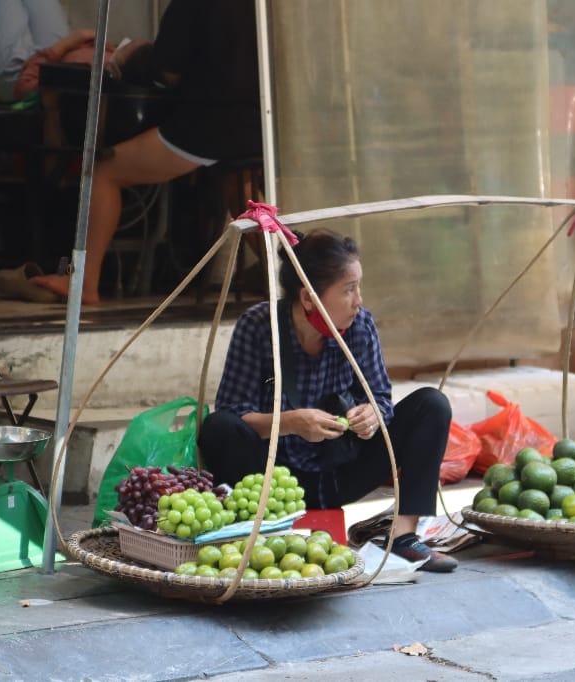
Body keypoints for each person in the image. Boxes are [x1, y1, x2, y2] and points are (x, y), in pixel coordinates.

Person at [197, 230, 458, 572]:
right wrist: (291, 423)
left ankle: (403, 536)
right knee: (218, 427)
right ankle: (253, 533)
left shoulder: (360, 325)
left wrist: (372, 415)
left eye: (358, 288)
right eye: (349, 289)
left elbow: (381, 398)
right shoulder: (259, 327)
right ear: (308, 298)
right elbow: (234, 414)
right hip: (273, 481)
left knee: (432, 405)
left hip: (342, 470)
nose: (358, 300)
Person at [29, 0, 262, 305]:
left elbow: (167, 70)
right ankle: (291, 274)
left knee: (104, 172)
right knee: (242, 194)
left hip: (207, 126)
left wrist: (129, 55)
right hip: (255, 125)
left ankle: (85, 282)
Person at [0, 0, 146, 102]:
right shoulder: (117, 56)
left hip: (24, 71)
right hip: (60, 48)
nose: (141, 41)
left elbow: (27, 86)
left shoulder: (97, 76)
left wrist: (67, 44)